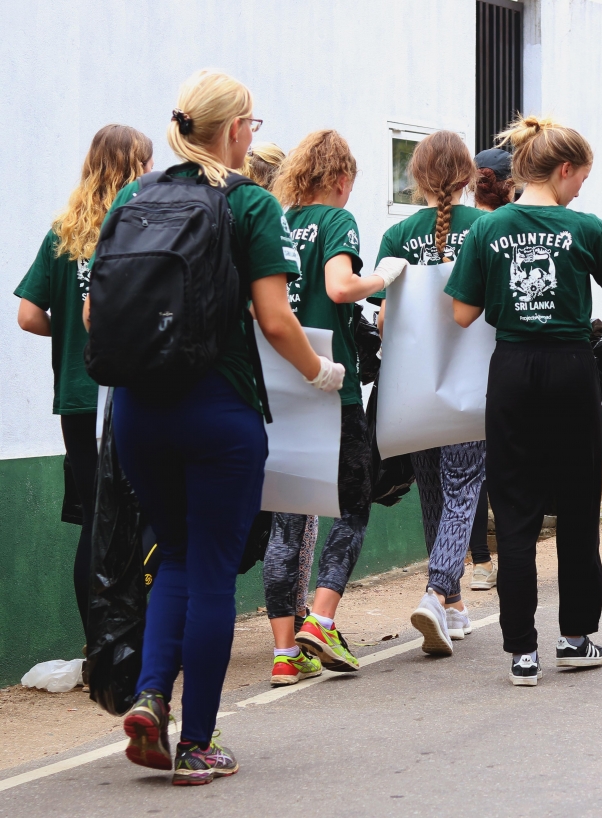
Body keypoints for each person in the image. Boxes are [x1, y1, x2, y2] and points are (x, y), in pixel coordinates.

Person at [86, 70, 343, 785]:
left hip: (137, 414)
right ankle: (196, 742)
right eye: (251, 126)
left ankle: (149, 697)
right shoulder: (252, 205)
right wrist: (322, 375)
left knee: (172, 554)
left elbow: (92, 315)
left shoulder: (134, 198)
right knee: (210, 574)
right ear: (235, 131)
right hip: (218, 415)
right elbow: (275, 319)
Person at [445, 115, 602, 686]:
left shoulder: (488, 231)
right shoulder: (584, 228)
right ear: (563, 170)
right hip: (570, 369)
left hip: (511, 370)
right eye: (581, 177)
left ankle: (521, 653)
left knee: (513, 509)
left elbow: (462, 314)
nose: (582, 188)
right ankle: (575, 637)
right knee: (580, 503)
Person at [265, 130, 406, 682]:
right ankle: (321, 620)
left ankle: (283, 653)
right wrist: (384, 276)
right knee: (353, 502)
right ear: (342, 180)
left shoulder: (275, 219)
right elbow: (342, 287)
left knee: (286, 515)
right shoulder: (335, 221)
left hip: (280, 386)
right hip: (332, 385)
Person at [14, 125, 153, 645]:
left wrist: (68, 334)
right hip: (126, 395)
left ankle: (99, 647)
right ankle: (138, 637)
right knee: (141, 515)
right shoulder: (138, 225)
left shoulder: (63, 232)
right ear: (134, 168)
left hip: (76, 397)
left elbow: (28, 316)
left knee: (96, 521)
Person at [373, 131, 486, 655]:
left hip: (414, 389)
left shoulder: (399, 236)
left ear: (417, 177)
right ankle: (438, 591)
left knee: (435, 495)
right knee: (464, 488)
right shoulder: (485, 227)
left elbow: (385, 319)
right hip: (470, 385)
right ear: (467, 176)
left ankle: (455, 606)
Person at [241, 141, 321, 634]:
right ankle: (293, 615)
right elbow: (277, 316)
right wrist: (317, 368)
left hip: (237, 385)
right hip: (287, 381)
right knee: (298, 511)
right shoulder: (273, 224)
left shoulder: (226, 218)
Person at [466, 146, 516, 591]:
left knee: (463, 467)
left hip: (445, 365)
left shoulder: (460, 223)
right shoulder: (498, 227)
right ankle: (492, 559)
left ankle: (475, 562)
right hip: (497, 356)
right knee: (495, 457)